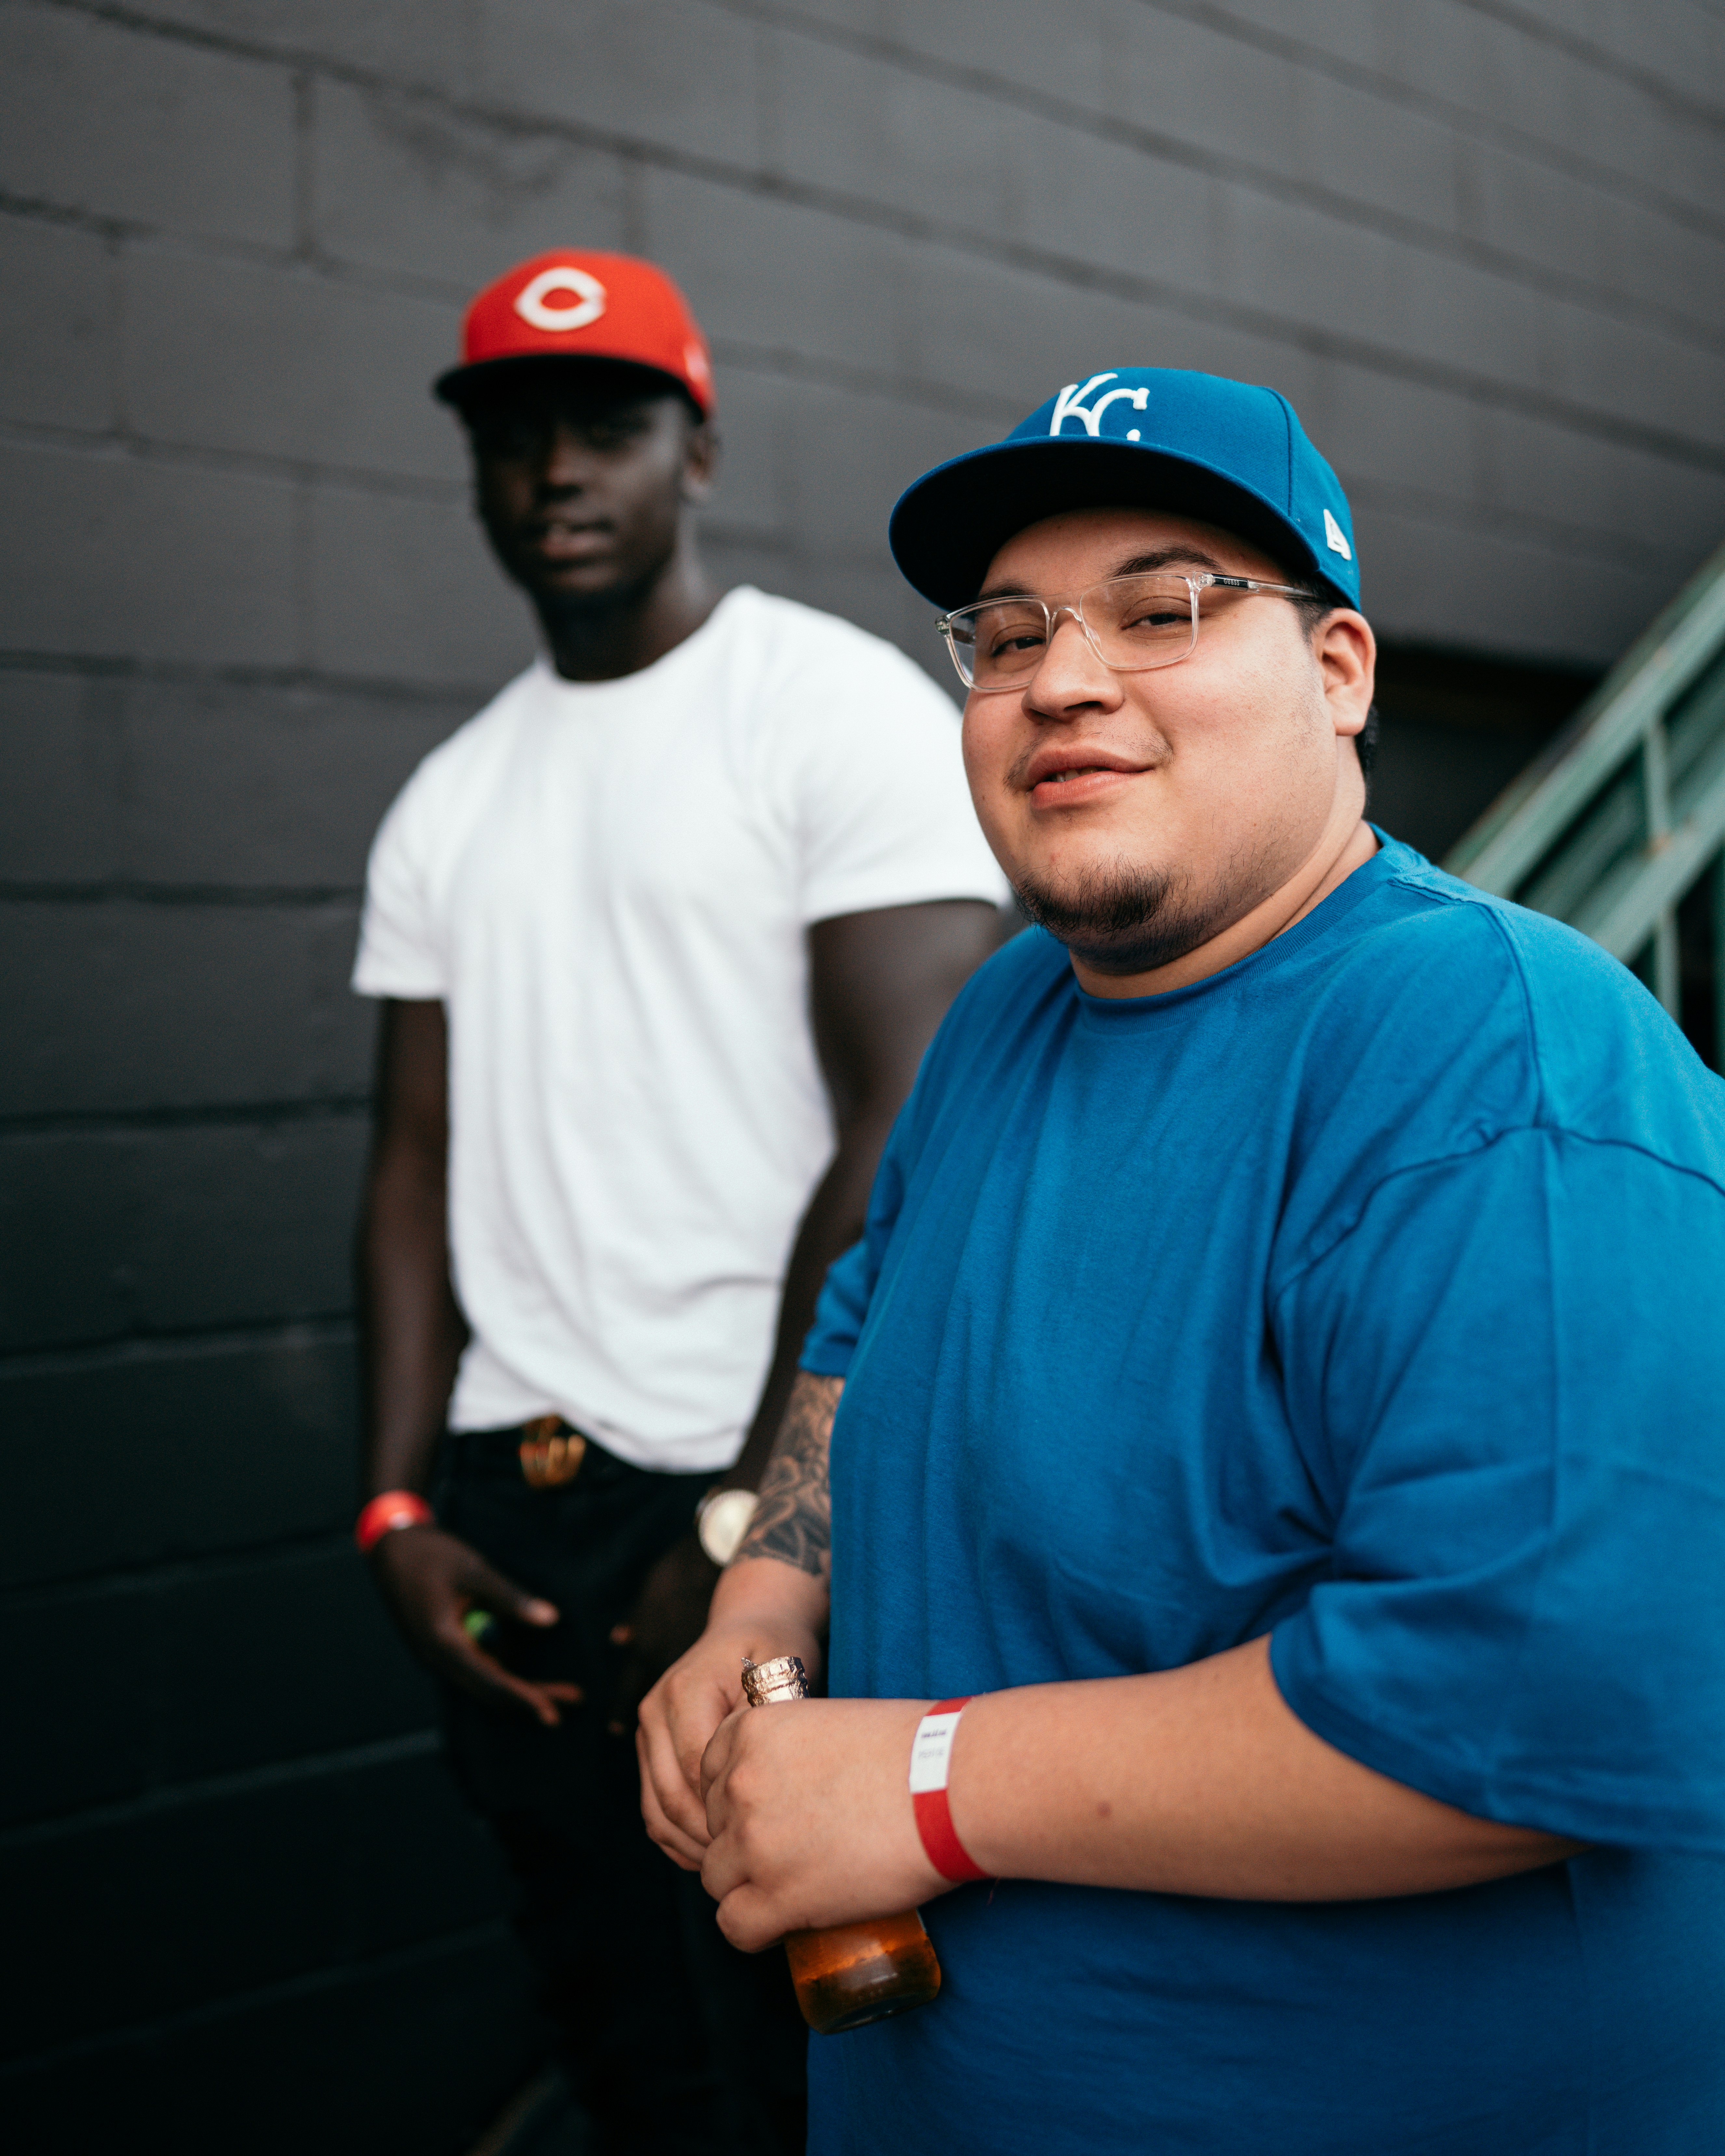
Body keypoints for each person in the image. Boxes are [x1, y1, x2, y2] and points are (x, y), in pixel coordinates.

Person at [639, 366, 1725, 2154]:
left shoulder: (1500, 1057)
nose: (1060, 679)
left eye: (1162, 610)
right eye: (1002, 637)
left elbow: (1527, 1691)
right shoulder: (1008, 1012)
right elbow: (866, 1314)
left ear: (1338, 670)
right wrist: (757, 1609)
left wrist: (913, 1785)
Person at [349, 248, 1005, 2156]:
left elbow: (908, 1117)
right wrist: (393, 1507)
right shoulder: (446, 800)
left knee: (811, 2045)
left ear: (693, 448)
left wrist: (741, 1520)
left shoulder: (825, 709)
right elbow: (406, 1169)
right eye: (513, 432)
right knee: (614, 2030)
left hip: (763, 1503)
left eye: (607, 423)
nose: (557, 469)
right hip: (512, 1515)